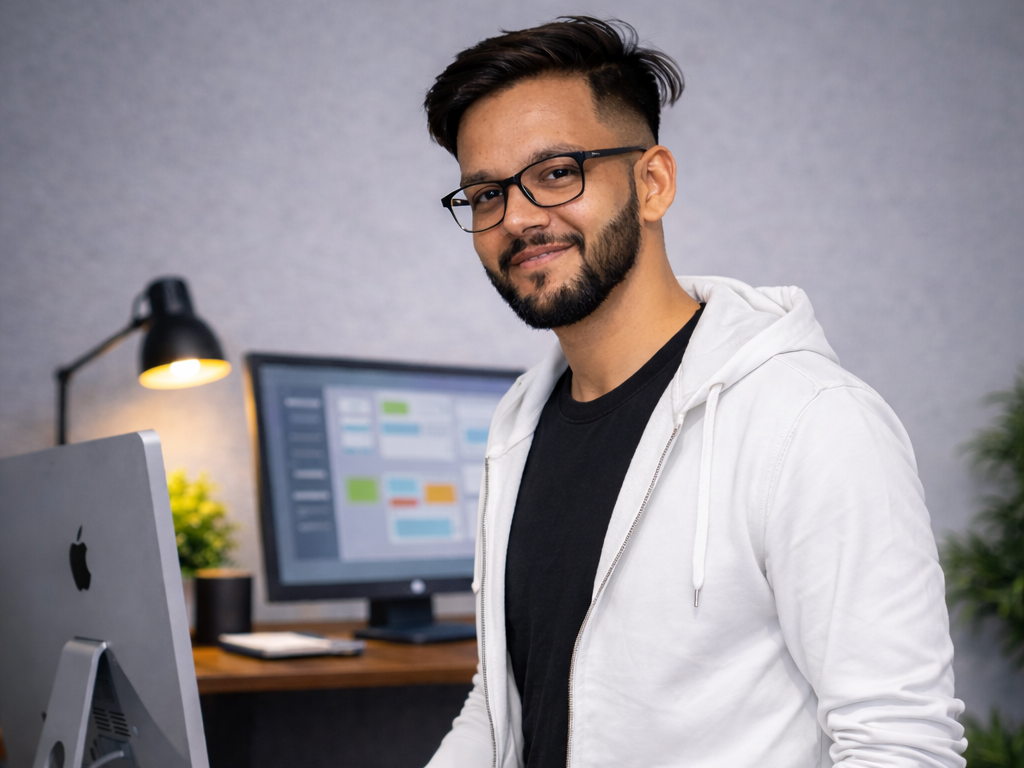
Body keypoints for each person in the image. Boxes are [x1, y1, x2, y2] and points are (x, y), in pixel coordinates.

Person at [422, 16, 966, 768]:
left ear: (652, 183)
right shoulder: (519, 423)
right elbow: (500, 704)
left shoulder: (812, 420)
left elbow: (900, 743)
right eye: (485, 193)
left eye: (556, 173)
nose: (517, 217)